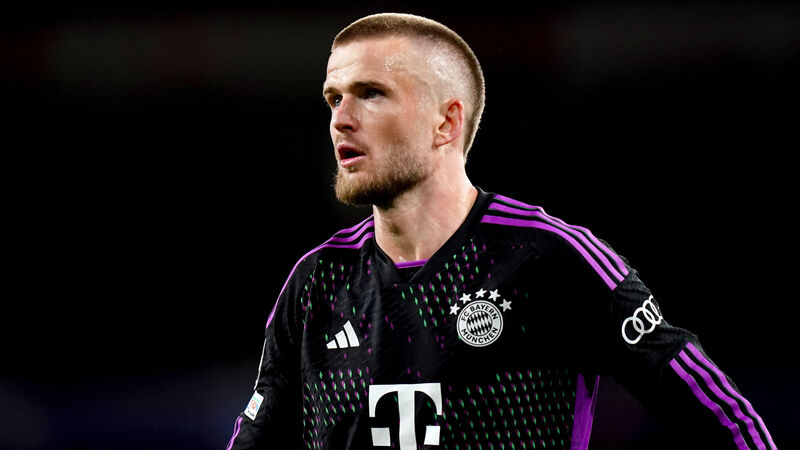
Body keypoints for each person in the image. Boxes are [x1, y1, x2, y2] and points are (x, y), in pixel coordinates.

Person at [226, 13, 775, 450]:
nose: (340, 119)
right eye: (334, 97)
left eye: (371, 93)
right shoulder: (317, 283)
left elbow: (724, 421)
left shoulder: (548, 258)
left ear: (446, 123)